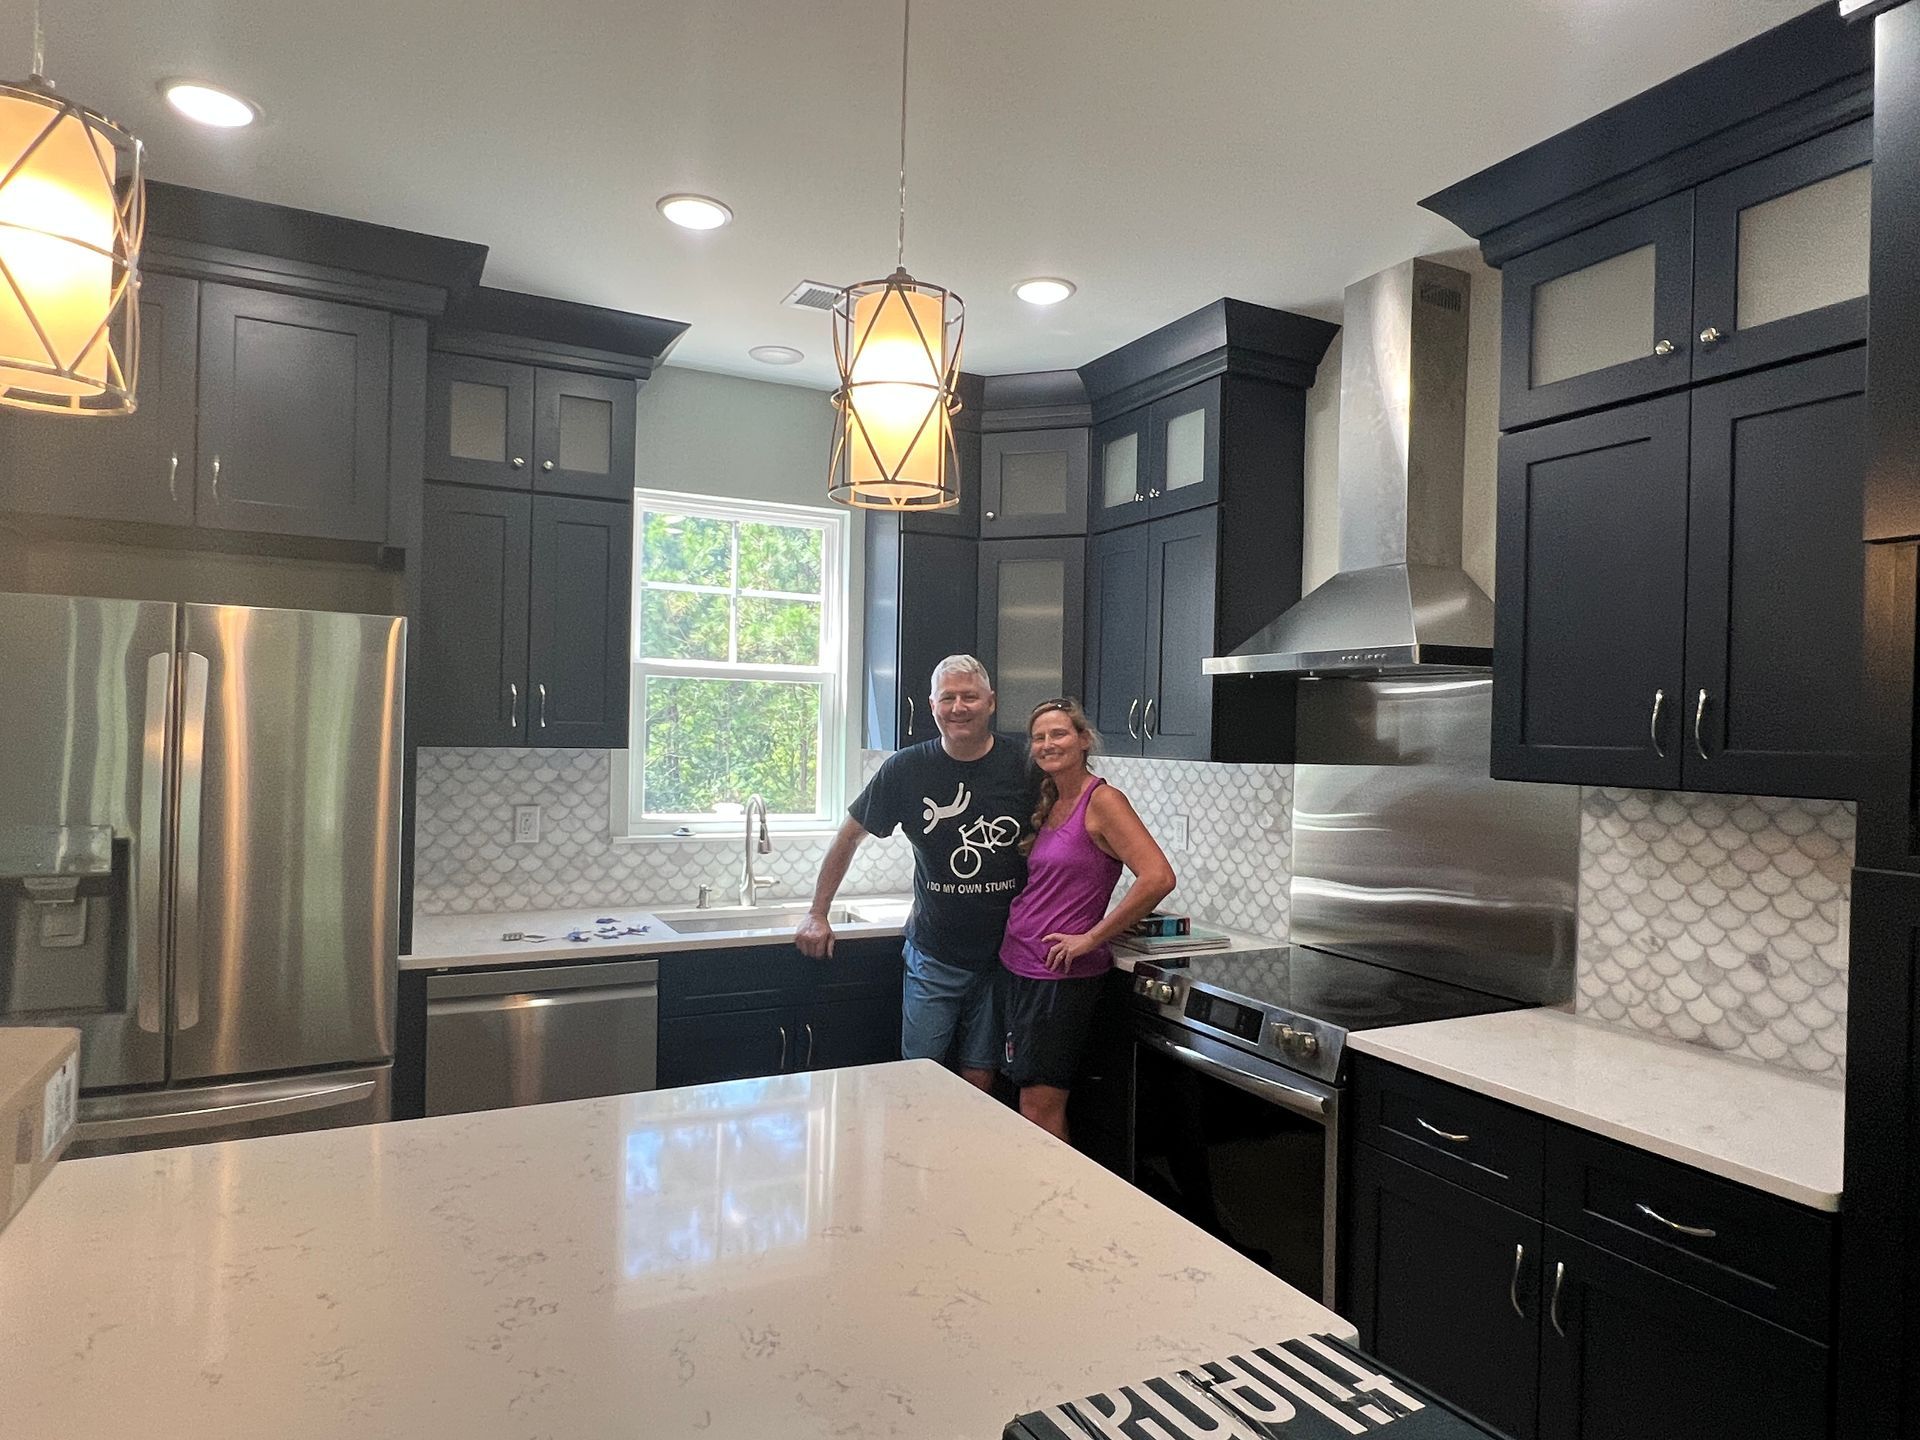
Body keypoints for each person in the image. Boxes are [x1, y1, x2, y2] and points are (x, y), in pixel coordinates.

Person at [796, 655, 1033, 1091]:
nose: (958, 707)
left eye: (970, 697)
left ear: (991, 702)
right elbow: (847, 838)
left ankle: (967, 1158)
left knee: (982, 1073)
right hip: (934, 952)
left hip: (1006, 956)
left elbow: (1070, 835)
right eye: (948, 698)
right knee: (919, 1076)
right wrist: (817, 912)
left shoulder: (1025, 765)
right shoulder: (906, 769)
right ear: (932, 706)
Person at [1001, 698, 1174, 1142]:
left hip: (1061, 974)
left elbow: (1157, 877)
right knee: (1026, 1097)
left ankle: (1053, 1206)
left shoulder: (1104, 801)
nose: (1046, 744)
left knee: (1040, 1106)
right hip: (1022, 965)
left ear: (1083, 740)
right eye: (1038, 737)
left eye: (1058, 733)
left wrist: (1091, 937)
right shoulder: (1055, 801)